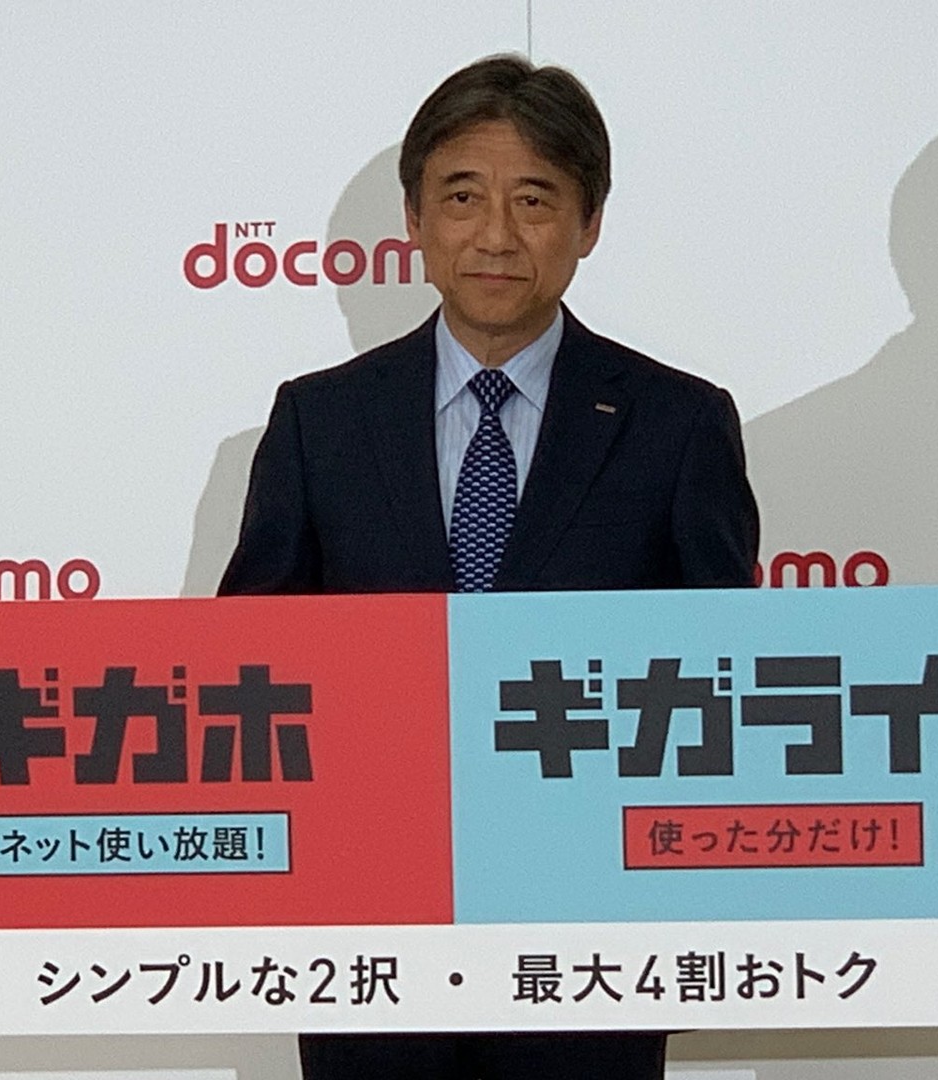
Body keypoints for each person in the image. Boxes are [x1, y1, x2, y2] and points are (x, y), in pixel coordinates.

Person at [219, 54, 759, 1080]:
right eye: (462, 197)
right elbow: (252, 671)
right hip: (370, 941)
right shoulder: (320, 422)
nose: (497, 235)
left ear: (589, 224)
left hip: (592, 946)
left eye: (535, 200)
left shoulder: (677, 424)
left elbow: (728, 680)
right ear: (414, 220)